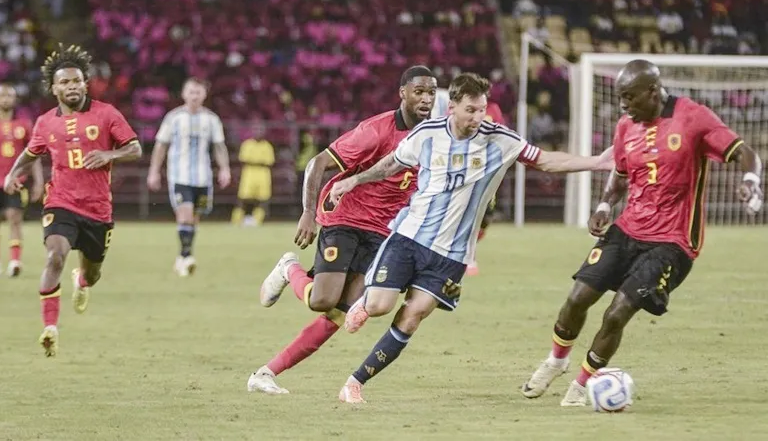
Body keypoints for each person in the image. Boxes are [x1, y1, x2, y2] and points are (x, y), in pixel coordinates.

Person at [327, 72, 613, 403]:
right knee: (379, 306)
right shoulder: (428, 134)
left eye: (482, 110)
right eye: (471, 110)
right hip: (410, 238)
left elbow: (546, 161)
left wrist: (597, 162)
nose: (478, 117)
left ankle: (355, 382)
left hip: (453, 255)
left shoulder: (500, 139)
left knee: (413, 315)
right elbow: (391, 164)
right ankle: (367, 300)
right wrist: (352, 181)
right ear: (453, 108)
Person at [521, 59, 763, 407]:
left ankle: (582, 384)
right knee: (577, 299)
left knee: (617, 313)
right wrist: (605, 205)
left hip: (672, 242)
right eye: (621, 98)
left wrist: (751, 181)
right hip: (628, 228)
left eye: (630, 98)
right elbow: (620, 173)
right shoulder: (625, 126)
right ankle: (555, 362)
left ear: (653, 92)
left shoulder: (693, 117)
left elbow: (745, 153)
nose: (624, 105)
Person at [247, 65, 437, 394]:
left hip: (382, 231)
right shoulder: (376, 130)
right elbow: (317, 162)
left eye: (432, 92)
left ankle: (267, 373)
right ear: (403, 93)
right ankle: (289, 267)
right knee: (322, 301)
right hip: (344, 217)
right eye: (419, 91)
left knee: (340, 313)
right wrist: (308, 212)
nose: (426, 98)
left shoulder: (434, 137)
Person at [3, 43, 143, 357]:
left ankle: (82, 281)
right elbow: (31, 153)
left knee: (92, 273)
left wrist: (109, 153)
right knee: (54, 256)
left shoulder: (106, 113)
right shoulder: (45, 122)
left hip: (98, 209)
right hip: (61, 202)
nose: (72, 86)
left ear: (85, 83)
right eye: (65, 82)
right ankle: (50, 328)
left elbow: (135, 148)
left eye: (77, 81)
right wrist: (13, 174)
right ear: (54, 88)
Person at [147, 77, 231, 276]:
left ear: (204, 95)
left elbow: (219, 146)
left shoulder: (211, 119)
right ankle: (186, 256)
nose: (194, 96)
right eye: (191, 92)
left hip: (203, 178)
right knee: (184, 213)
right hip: (179, 176)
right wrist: (154, 171)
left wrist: (225, 168)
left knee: (194, 218)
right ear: (184, 94)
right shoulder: (173, 118)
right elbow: (161, 145)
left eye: (198, 92)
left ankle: (183, 256)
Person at [0, 83, 44, 278]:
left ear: (15, 100)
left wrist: (38, 181)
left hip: (16, 181)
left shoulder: (24, 124)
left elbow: (33, 155)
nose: (5, 99)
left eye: (9, 96)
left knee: (14, 217)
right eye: (1, 96)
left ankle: (14, 262)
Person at [432, 87, 507, 276]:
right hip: (459, 169)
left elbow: (501, 135)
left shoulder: (493, 110)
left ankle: (465, 249)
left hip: (484, 172)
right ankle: (465, 255)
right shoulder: (456, 111)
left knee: (485, 217)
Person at [232, 125, 275, 226]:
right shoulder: (247, 144)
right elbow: (243, 160)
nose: (258, 132)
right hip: (249, 175)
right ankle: (236, 220)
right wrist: (258, 162)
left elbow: (269, 162)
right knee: (243, 199)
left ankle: (257, 220)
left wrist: (253, 161)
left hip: (263, 176)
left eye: (260, 130)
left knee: (262, 200)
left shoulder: (267, 146)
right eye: (256, 130)